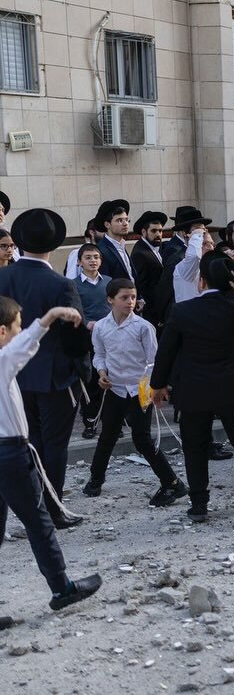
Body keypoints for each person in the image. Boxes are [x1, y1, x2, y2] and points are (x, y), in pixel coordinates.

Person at [150, 251, 234, 525]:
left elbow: (166, 351)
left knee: (194, 447)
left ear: (201, 281)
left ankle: (199, 505)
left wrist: (158, 385)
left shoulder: (182, 310)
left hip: (193, 388)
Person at [0, 298, 102, 614]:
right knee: (39, 522)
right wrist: (51, 316)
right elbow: (21, 348)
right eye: (16, 327)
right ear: (2, 332)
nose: (19, 333)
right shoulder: (2, 360)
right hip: (9, 453)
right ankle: (62, 588)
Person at [0, 208, 89, 529]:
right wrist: (83, 371)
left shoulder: (3, 277)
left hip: (10, 374)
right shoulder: (60, 283)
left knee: (26, 443)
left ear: (20, 243)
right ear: (54, 244)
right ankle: (53, 509)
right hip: (54, 377)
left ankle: (31, 509)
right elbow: (76, 336)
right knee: (54, 446)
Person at [82, 278, 187, 505]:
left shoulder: (143, 327)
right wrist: (101, 373)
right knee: (108, 435)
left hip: (139, 390)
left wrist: (154, 388)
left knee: (142, 439)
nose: (130, 302)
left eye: (133, 297)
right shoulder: (101, 327)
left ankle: (172, 483)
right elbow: (99, 355)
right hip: (115, 389)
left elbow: (154, 361)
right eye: (124, 298)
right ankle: (96, 478)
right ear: (110, 300)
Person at [73, 244, 111, 440]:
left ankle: (112, 423)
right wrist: (87, 323)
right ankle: (90, 422)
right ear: (79, 262)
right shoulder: (72, 285)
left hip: (110, 340)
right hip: (87, 339)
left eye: (96, 257)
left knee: (111, 381)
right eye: (88, 257)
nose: (93, 261)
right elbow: (73, 311)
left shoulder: (109, 282)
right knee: (91, 382)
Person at [130, 211, 168, 330]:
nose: (158, 234)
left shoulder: (156, 248)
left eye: (160, 231)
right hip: (151, 313)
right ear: (144, 232)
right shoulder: (140, 253)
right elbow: (141, 285)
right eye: (154, 231)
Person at [92, 199, 136, 282]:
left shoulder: (121, 245)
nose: (125, 224)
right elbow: (105, 282)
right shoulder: (101, 250)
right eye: (120, 220)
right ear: (107, 224)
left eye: (127, 220)